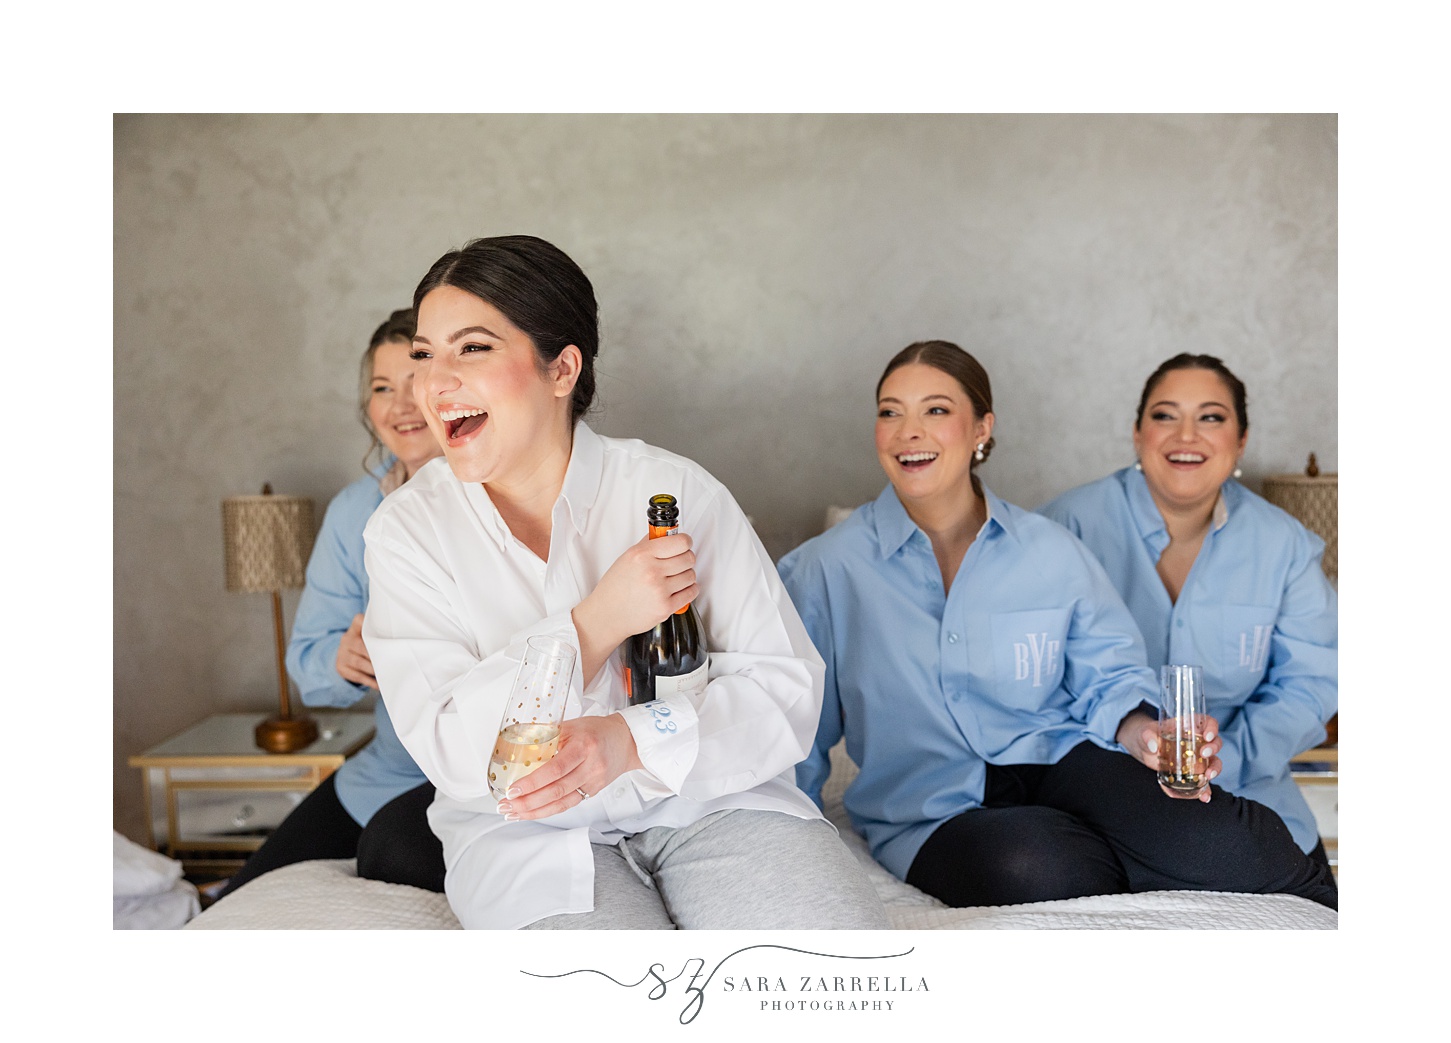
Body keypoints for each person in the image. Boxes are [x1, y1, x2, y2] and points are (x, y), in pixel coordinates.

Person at [360, 235, 889, 930]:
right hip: (527, 832)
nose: (432, 384)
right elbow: (455, 747)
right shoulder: (406, 532)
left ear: (562, 369)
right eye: (425, 354)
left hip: (712, 801)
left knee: (818, 979)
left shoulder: (676, 493)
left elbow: (784, 690)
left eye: (473, 348)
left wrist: (631, 739)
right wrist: (592, 624)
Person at [777, 339, 1337, 910]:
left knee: (1233, 839)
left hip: (1064, 761)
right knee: (1043, 869)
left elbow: (1109, 673)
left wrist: (1141, 730)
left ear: (981, 430)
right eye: (890, 411)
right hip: (932, 801)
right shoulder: (824, 570)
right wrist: (788, 845)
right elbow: (794, 735)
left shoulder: (1049, 547)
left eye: (936, 410)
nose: (908, 431)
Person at [1038, 352, 1337, 866]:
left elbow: (1311, 685)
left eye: (1211, 417)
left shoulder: (1283, 544)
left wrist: (1224, 761)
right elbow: (1032, 679)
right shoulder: (1065, 528)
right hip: (1096, 801)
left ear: (1240, 440)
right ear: (1137, 433)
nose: (1186, 435)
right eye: (1165, 415)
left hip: (1252, 796)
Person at [216, 309, 447, 899]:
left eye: (415, 382)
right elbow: (308, 664)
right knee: (242, 897)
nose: (399, 406)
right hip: (384, 776)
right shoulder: (353, 513)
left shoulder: (507, 499)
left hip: (475, 782)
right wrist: (342, 662)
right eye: (380, 388)